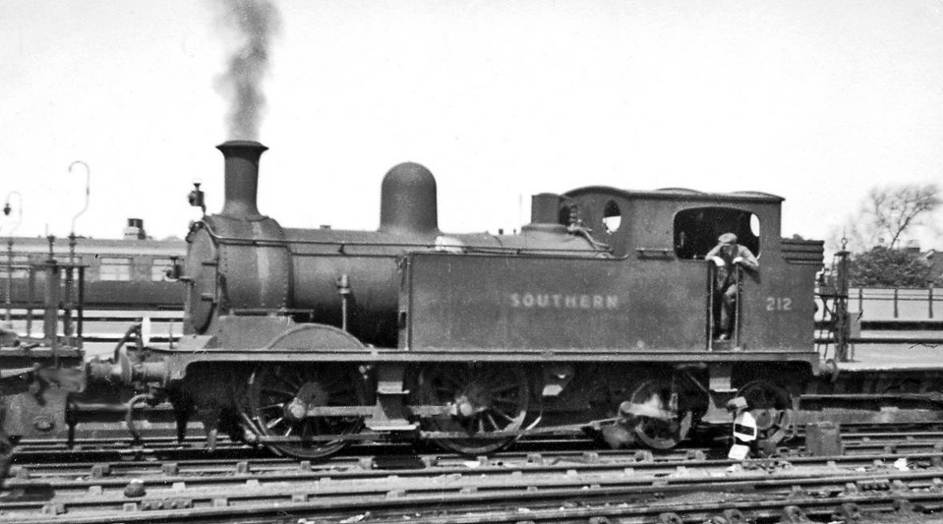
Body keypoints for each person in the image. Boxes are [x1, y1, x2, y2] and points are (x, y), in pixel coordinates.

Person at [706, 233, 759, 341]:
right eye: (722, 246)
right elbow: (708, 256)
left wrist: (742, 260)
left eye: (727, 247)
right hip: (722, 282)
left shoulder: (742, 250)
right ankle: (714, 329)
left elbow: (755, 266)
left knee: (727, 296)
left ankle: (725, 330)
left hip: (736, 282)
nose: (724, 249)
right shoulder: (719, 248)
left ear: (734, 245)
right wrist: (714, 258)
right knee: (714, 297)